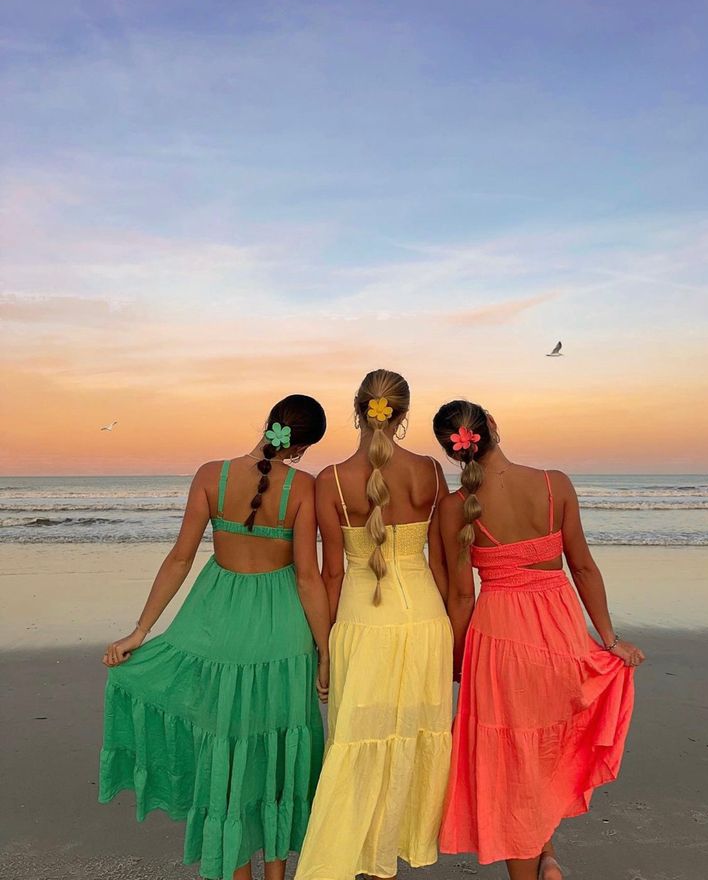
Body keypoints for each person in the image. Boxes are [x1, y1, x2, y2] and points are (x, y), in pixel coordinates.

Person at [99, 395, 330, 880]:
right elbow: (308, 577)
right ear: (303, 446)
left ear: (268, 424)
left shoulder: (211, 474)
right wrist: (325, 650)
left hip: (216, 624)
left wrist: (141, 631)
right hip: (281, 632)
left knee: (230, 751)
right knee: (276, 753)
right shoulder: (304, 487)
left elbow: (180, 558)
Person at [433, 399, 644, 880]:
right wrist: (608, 640)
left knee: (514, 760)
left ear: (454, 451)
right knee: (548, 748)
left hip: (500, 634)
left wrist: (458, 661)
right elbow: (583, 566)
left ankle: (531, 867)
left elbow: (462, 596)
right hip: (560, 627)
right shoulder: (555, 483)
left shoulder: (454, 508)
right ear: (492, 428)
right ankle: (547, 855)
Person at [295, 370, 453, 880]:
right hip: (427, 618)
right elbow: (448, 561)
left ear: (359, 409)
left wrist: (324, 649)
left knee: (357, 735)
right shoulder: (430, 470)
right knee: (409, 731)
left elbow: (332, 572)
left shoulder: (331, 480)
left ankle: (347, 858)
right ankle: (392, 855)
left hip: (363, 620)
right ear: (402, 416)